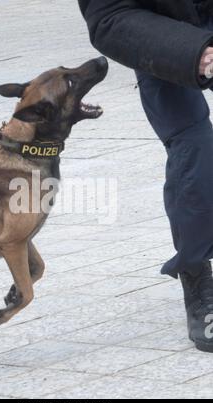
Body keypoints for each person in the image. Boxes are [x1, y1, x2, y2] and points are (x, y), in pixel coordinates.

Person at [78, 0, 213, 353]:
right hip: (162, 34)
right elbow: (108, 17)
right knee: (195, 149)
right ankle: (197, 278)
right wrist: (192, 52)